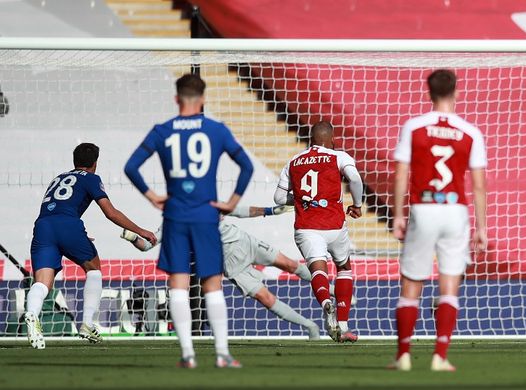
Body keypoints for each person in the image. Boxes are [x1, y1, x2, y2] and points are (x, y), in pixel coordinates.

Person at [124, 74, 254, 368]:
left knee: (178, 283)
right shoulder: (216, 130)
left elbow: (131, 166)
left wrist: (152, 196)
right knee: (212, 284)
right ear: (203, 99)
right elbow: (245, 166)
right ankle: (222, 354)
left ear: (176, 99)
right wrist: (232, 202)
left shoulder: (163, 131)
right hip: (207, 216)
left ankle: (187, 355)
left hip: (175, 217)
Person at [390, 69, 488, 372]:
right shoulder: (470, 132)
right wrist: (482, 227)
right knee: (449, 285)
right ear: (456, 92)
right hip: (455, 210)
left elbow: (402, 173)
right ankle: (440, 356)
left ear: (429, 93)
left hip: (424, 206)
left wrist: (397, 215)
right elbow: (479, 184)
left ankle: (404, 356)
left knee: (411, 284)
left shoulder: (414, 127)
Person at [25, 143, 156, 349]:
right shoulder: (92, 178)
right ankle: (86, 323)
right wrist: (142, 231)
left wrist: (69, 237)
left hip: (43, 227)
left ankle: (32, 314)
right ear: (95, 163)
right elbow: (111, 213)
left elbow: (58, 207)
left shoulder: (57, 178)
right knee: (94, 269)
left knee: (42, 283)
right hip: (68, 226)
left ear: (74, 161)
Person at [121, 205, 320, 340]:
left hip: (244, 242)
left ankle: (328, 291)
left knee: (290, 265)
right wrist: (131, 237)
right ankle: (310, 326)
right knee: (265, 298)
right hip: (230, 263)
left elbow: (239, 211)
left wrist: (271, 210)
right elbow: (146, 246)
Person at [274, 120, 363, 343]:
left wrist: (301, 199)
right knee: (343, 266)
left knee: (317, 267)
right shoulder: (339, 156)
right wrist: (357, 204)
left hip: (306, 226)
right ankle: (342, 325)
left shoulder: (294, 161)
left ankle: (325, 302)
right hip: (334, 225)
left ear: (311, 139)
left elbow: (278, 198)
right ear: (331, 140)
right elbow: (355, 178)